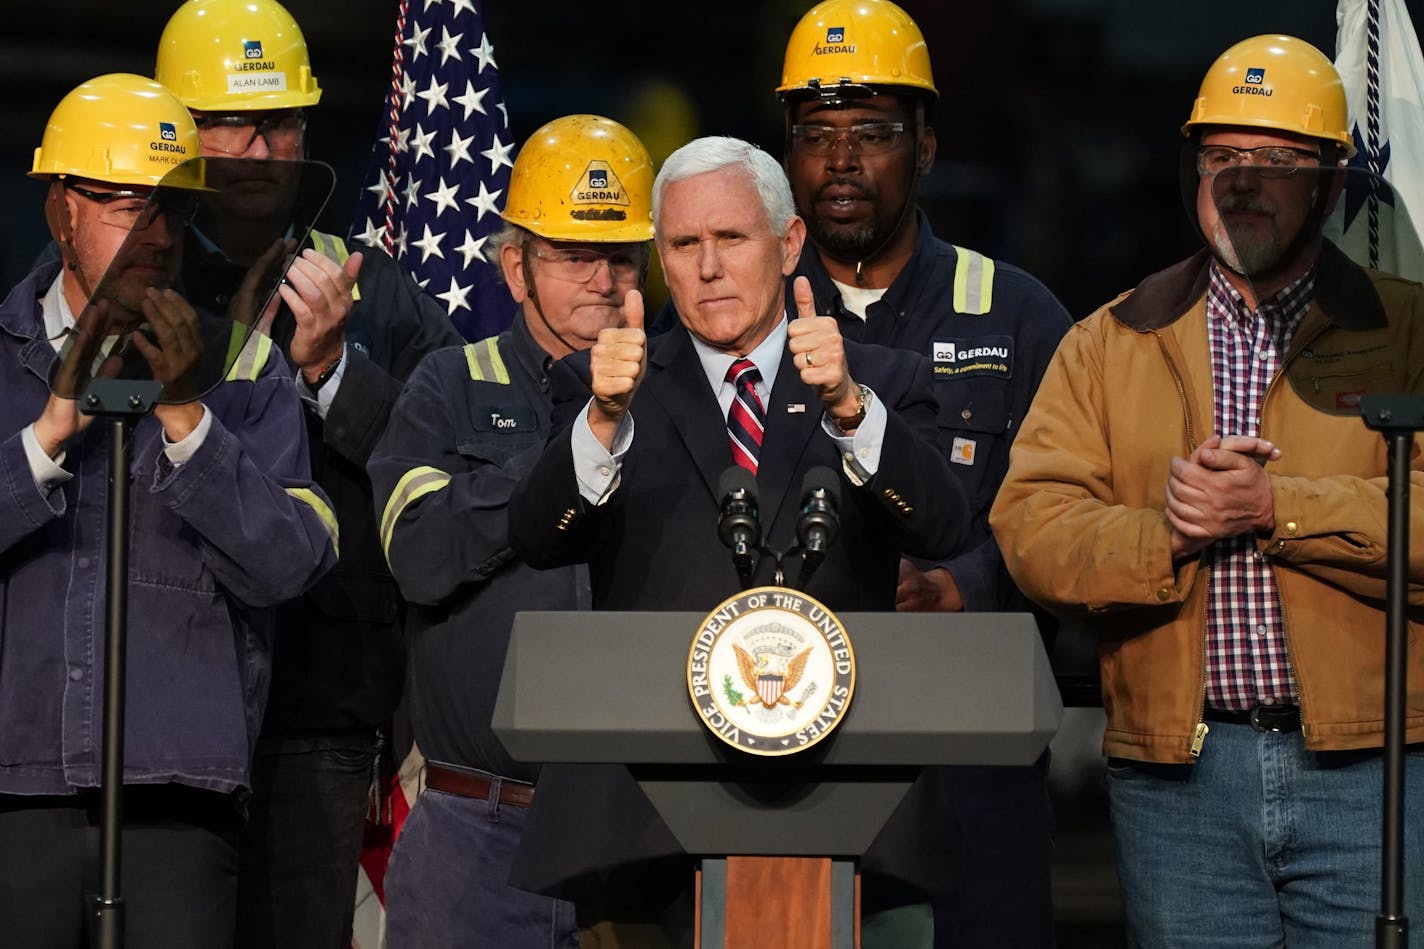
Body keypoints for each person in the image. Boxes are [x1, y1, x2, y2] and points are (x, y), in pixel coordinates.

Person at [990, 34, 1424, 947]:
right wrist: (1169, 531)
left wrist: (1279, 509)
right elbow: (1032, 525)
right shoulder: (1111, 338)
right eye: (1222, 157)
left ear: (1334, 182)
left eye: (1275, 161)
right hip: (1178, 786)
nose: (1242, 181)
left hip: (1375, 773)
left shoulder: (1408, 329)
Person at [506, 135, 968, 947]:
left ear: (789, 245)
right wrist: (603, 421)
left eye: (731, 238)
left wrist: (853, 409)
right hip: (641, 829)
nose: (708, 266)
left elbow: (942, 525)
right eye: (684, 245)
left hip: (852, 821)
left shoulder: (878, 381)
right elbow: (537, 537)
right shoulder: (607, 386)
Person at [152, 2, 466, 946]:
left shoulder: (378, 294)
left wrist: (335, 373)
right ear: (178, 129)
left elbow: (452, 468)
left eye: (281, 121)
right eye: (232, 121)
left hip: (321, 717)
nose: (260, 146)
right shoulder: (121, 281)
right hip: (163, 713)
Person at [0, 73, 337, 949]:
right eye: (122, 203)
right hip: (14, 789)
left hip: (179, 793)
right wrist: (46, 433)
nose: (152, 232)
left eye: (171, 209)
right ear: (60, 212)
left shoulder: (245, 369)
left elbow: (293, 559)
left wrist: (190, 417)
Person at [774, 2, 1073, 943]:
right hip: (787, 749)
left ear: (927, 146)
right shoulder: (737, 316)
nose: (842, 161)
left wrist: (967, 583)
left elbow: (1074, 510)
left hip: (969, 752)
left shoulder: (1018, 316)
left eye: (873, 134)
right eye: (818, 136)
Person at [367, 113, 655, 949]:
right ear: (515, 266)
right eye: (571, 253)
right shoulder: (445, 386)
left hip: (643, 832)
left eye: (622, 256)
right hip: (474, 836)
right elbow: (417, 552)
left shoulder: (683, 397)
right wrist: (581, 447)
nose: (602, 279)